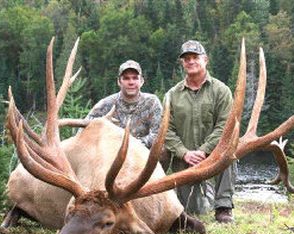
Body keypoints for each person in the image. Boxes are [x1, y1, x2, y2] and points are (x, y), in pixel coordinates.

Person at [165, 40, 237, 223]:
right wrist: (184, 153)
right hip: (185, 161)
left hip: (214, 157)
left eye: (195, 57)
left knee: (230, 153)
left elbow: (225, 126)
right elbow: (167, 130)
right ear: (182, 63)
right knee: (192, 211)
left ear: (205, 60)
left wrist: (204, 150)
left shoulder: (222, 91)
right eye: (186, 58)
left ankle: (223, 207)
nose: (191, 61)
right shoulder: (172, 95)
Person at [86, 60, 162, 149]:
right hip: (112, 155)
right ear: (119, 81)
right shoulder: (106, 104)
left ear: (141, 81)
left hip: (143, 154)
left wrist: (133, 145)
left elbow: (158, 134)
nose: (131, 82)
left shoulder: (152, 102)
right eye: (126, 78)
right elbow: (84, 129)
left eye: (135, 78)